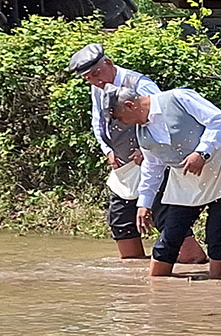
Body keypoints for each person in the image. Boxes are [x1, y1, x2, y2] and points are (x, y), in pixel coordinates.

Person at [67, 43, 206, 264]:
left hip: (153, 161)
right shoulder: (97, 88)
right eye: (89, 78)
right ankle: (136, 272)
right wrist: (107, 149)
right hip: (122, 165)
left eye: (97, 73)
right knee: (121, 221)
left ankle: (192, 260)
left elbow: (163, 117)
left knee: (165, 217)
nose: (95, 80)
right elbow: (98, 121)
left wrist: (144, 148)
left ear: (109, 64)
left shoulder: (141, 84)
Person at [108, 85, 221, 279]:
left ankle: (220, 287)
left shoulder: (179, 98)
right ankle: (154, 290)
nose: (121, 124)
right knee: (170, 236)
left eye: (119, 118)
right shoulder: (142, 132)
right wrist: (144, 203)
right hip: (185, 179)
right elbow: (152, 166)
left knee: (218, 237)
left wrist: (202, 152)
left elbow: (218, 120)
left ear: (130, 106)